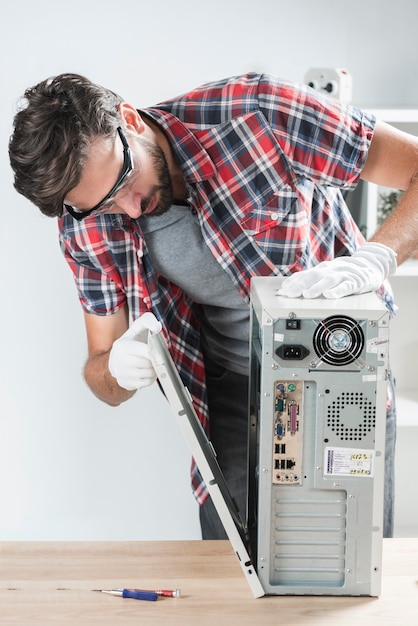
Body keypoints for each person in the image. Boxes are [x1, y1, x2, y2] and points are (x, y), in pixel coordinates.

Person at [9, 72, 418, 540]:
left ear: (129, 120)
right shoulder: (82, 225)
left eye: (125, 179)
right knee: (234, 565)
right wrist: (118, 371)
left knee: (348, 551)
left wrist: (377, 259)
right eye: (103, 206)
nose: (132, 209)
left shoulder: (259, 111)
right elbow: (102, 370)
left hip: (337, 373)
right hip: (228, 396)